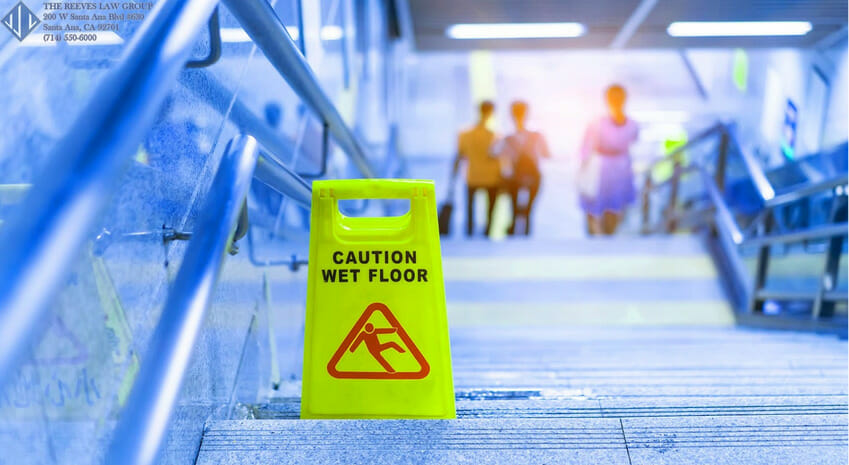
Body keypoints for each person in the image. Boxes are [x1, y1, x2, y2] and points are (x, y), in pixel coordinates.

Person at [579, 85, 639, 235]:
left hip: (621, 170)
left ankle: (608, 238)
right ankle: (596, 238)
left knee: (615, 207)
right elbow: (585, 149)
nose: (616, 101)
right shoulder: (597, 123)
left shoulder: (632, 125)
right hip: (600, 169)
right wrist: (584, 170)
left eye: (619, 98)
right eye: (613, 98)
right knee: (594, 206)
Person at [496, 101, 551, 236]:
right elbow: (547, 154)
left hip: (514, 177)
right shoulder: (537, 136)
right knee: (529, 211)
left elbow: (494, 154)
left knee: (514, 210)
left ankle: (514, 237)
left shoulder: (507, 138)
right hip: (534, 177)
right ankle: (526, 237)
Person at [452, 100, 502, 237]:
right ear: (492, 113)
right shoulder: (495, 136)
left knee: (470, 208)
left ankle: (469, 232)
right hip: (491, 177)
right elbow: (500, 158)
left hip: (472, 176)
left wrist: (453, 178)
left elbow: (459, 156)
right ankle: (487, 233)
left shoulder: (465, 134)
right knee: (490, 210)